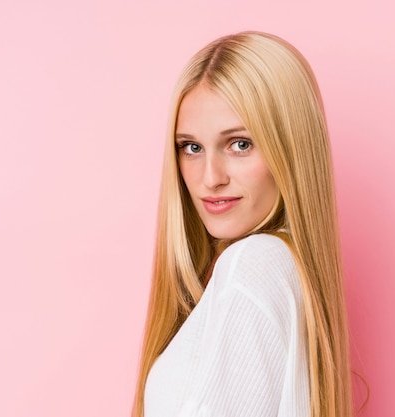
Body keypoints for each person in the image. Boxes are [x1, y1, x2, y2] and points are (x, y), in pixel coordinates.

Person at [133, 31, 352, 417]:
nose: (210, 177)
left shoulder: (253, 265)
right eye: (192, 147)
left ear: (291, 147)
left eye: (240, 144)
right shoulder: (281, 268)